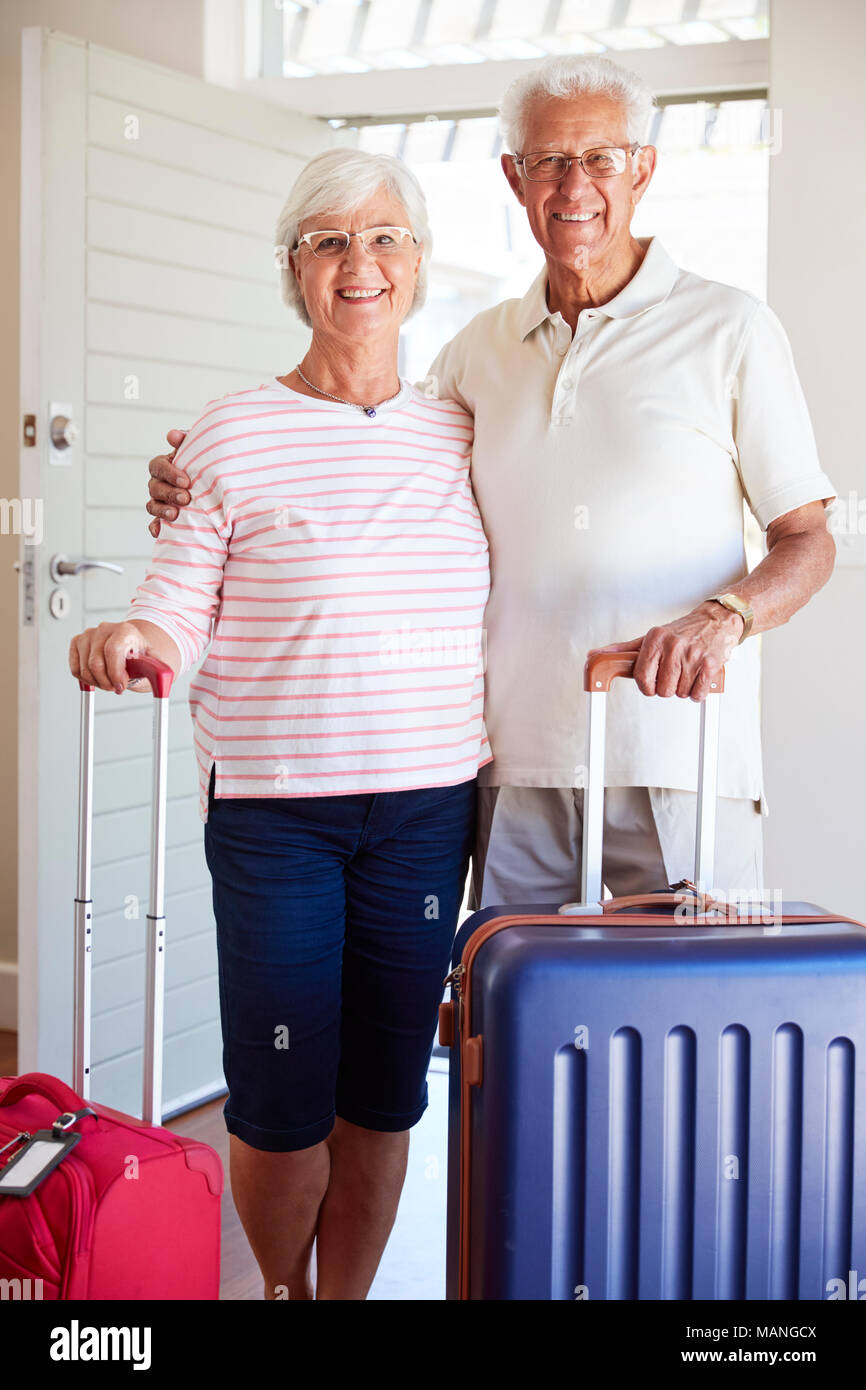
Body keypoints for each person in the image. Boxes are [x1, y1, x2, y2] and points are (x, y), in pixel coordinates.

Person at [147, 55, 837, 911]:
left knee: (682, 1029)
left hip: (679, 758)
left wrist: (723, 618)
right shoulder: (476, 350)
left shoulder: (730, 328)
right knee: (514, 1029)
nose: (573, 185)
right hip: (512, 769)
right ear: (514, 177)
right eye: (547, 160)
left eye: (600, 159)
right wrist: (204, 477)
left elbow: (808, 537)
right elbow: (370, 454)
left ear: (643, 169)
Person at [68, 148, 490, 1300]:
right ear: (294, 269)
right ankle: (282, 1292)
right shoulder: (231, 433)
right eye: (329, 240)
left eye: (386, 236)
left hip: (424, 808)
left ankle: (339, 1304)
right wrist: (130, 642)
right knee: (279, 1091)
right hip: (275, 813)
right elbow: (176, 603)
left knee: (384, 1089)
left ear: (419, 261)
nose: (362, 262)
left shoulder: (463, 429)